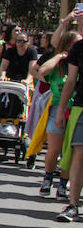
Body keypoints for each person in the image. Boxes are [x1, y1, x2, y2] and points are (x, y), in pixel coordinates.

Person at [33, 19, 80, 199]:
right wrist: (60, 56)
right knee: (54, 149)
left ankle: (62, 184)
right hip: (56, 109)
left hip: (75, 109)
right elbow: (41, 71)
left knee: (70, 150)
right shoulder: (58, 65)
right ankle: (47, 178)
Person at [53, 5, 83, 222]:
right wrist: (61, 109)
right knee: (79, 154)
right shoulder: (78, 48)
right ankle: (73, 204)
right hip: (82, 106)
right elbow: (71, 81)